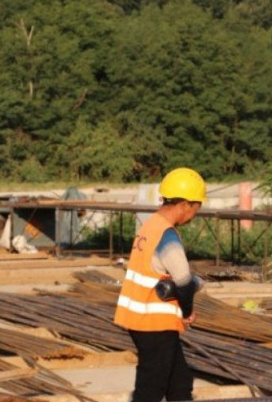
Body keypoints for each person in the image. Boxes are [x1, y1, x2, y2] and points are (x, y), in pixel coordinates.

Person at [114, 167, 206, 402]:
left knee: (180, 383)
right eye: (196, 208)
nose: (194, 214)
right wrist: (187, 311)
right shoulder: (167, 236)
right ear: (185, 204)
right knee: (150, 388)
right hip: (154, 323)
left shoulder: (151, 225)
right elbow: (184, 283)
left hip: (141, 318)